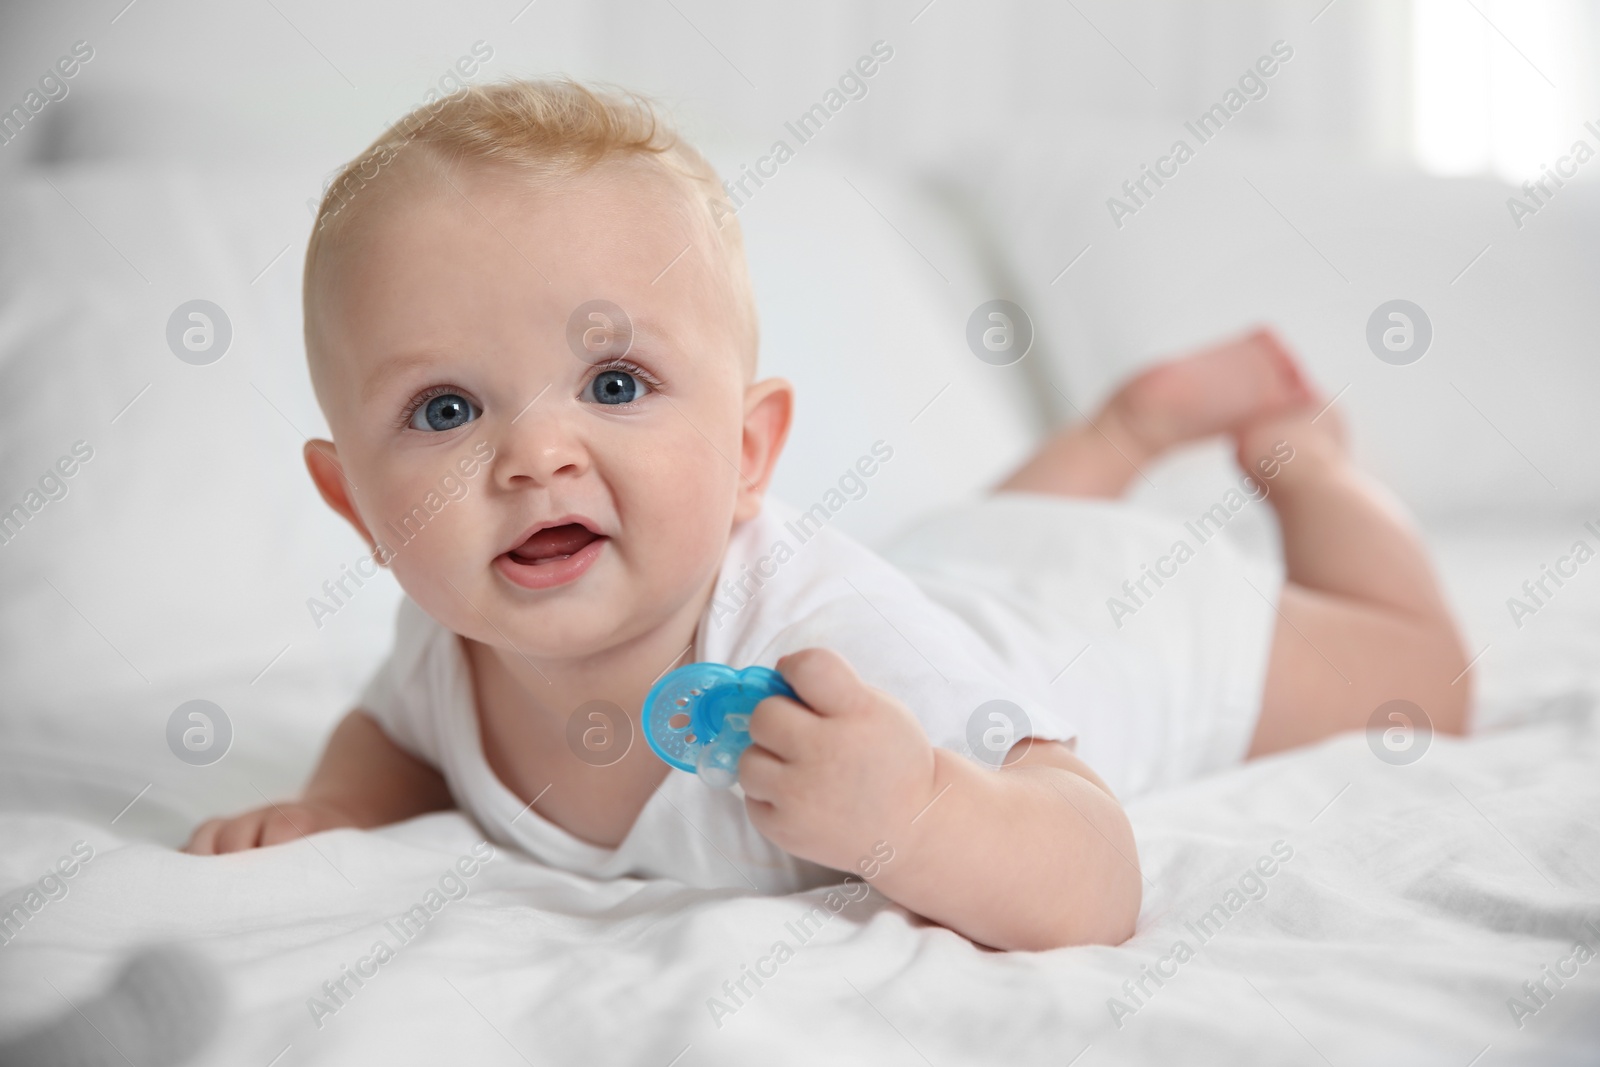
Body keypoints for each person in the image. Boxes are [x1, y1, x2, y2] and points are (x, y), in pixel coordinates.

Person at [184, 80, 1469, 954]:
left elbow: (1095, 874)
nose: (534, 453)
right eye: (447, 409)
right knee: (973, 548)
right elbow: (394, 730)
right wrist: (334, 807)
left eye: (615, 383)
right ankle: (1122, 432)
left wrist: (910, 810)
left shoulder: (831, 636)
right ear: (356, 503)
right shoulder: (449, 632)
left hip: (1112, 619)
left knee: (1424, 674)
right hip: (961, 565)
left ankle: (1310, 463)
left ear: (750, 451)